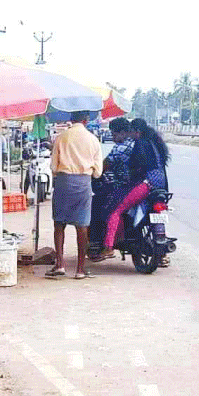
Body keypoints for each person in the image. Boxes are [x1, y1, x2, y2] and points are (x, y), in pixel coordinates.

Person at [46, 111, 103, 279]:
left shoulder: (61, 138)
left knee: (59, 224)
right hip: (83, 183)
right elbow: (98, 172)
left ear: (71, 120)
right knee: (82, 226)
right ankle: (80, 269)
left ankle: (60, 264)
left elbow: (54, 167)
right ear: (86, 121)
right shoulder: (93, 140)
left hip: (63, 182)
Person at [103, 118, 170, 250]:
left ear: (137, 131)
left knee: (116, 210)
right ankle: (162, 254)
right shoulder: (154, 143)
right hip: (161, 186)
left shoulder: (140, 144)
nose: (130, 135)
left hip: (146, 184)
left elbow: (135, 166)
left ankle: (108, 247)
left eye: (131, 132)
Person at [88, 118, 135, 261]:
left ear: (123, 132)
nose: (113, 138)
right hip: (138, 186)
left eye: (114, 134)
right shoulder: (138, 144)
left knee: (96, 206)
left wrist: (93, 172)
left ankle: (98, 244)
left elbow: (103, 167)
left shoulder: (120, 148)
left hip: (120, 188)